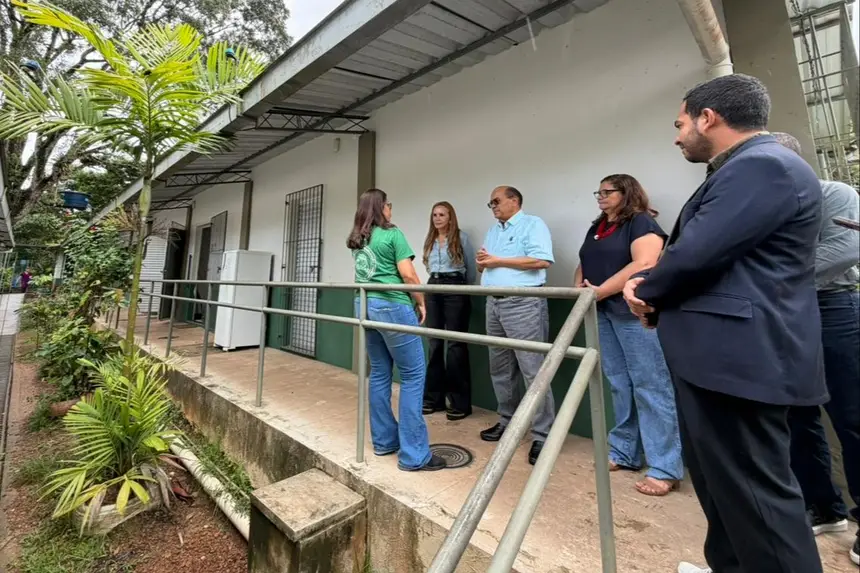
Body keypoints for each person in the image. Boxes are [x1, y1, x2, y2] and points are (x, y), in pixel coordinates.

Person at [622, 74, 826, 573]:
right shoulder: (751, 168)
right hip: (720, 360)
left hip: (738, 363)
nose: (677, 137)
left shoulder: (763, 166)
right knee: (726, 495)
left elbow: (698, 253)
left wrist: (644, 290)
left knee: (759, 505)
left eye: (680, 124)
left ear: (708, 118)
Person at [773, 132, 860, 566]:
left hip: (834, 308)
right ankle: (823, 507)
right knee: (797, 413)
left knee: (852, 415)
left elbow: (845, 249)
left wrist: (769, 279)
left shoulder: (835, 194)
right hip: (784, 314)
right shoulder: (765, 209)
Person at [575, 174, 683, 497]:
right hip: (602, 312)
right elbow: (584, 261)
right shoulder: (597, 226)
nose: (600, 196)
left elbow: (645, 262)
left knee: (651, 385)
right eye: (598, 192)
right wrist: (580, 289)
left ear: (626, 193)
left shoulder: (640, 223)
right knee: (619, 384)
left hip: (632, 312)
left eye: (607, 191)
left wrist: (600, 291)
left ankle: (665, 467)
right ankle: (624, 451)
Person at [348, 188, 446, 472]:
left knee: (379, 372)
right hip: (392, 305)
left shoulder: (358, 238)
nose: (391, 208)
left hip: (364, 305)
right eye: (388, 204)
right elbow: (408, 274)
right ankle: (415, 455)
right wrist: (421, 300)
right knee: (413, 375)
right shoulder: (392, 234)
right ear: (381, 207)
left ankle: (384, 442)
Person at [477, 185, 555, 466]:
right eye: (491, 203)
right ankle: (507, 421)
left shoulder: (533, 224)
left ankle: (543, 435)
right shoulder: (493, 231)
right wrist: (484, 264)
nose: (493, 206)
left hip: (523, 303)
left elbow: (541, 260)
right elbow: (487, 265)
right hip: (494, 303)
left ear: (514, 200)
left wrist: (497, 260)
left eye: (496, 201)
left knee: (533, 370)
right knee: (500, 367)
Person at [421, 201, 477, 421]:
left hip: (455, 286)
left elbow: (471, 272)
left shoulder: (462, 238)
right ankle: (433, 399)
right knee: (434, 343)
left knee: (455, 344)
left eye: (442, 215)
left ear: (450, 217)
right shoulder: (430, 239)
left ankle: (459, 403)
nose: (437, 218)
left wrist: (462, 289)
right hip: (433, 286)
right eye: (434, 215)